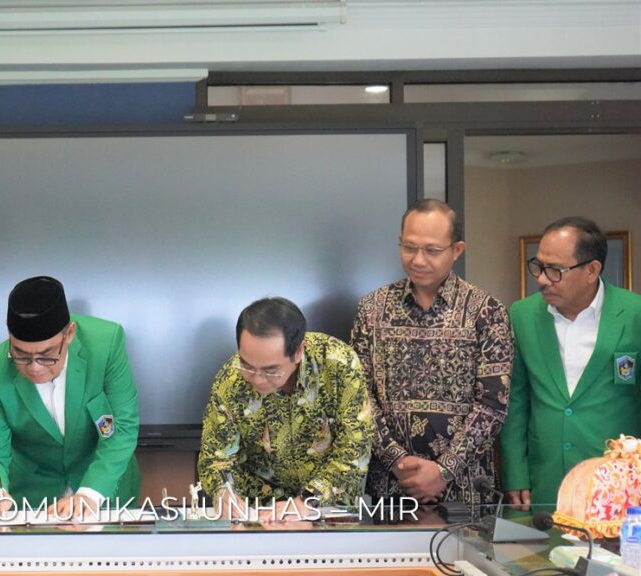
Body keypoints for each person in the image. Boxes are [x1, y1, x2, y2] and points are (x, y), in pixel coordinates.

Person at [351, 199, 513, 506]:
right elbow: (359, 396)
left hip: (466, 491)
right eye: (409, 247)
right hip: (392, 488)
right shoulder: (372, 309)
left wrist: (444, 470)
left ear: (457, 250)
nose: (418, 260)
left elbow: (493, 405)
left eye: (432, 250)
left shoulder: (487, 312)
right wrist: (398, 462)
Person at [500, 217, 641, 510]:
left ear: (592, 270)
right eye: (538, 266)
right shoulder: (522, 316)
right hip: (543, 483)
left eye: (555, 271)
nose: (541, 278)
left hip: (618, 485)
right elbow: (515, 401)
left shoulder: (633, 314)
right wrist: (515, 473)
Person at [0, 276, 140, 519]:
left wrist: (90, 494)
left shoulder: (106, 344)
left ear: (69, 334)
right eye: (21, 355)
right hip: (33, 499)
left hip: (105, 490)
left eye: (47, 355)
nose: (35, 367)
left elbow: (122, 428)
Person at [198, 297, 372, 523]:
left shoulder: (338, 365)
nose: (257, 379)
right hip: (256, 512)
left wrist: (307, 502)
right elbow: (216, 457)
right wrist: (224, 492)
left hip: (326, 509)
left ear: (298, 351)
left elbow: (355, 447)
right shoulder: (230, 380)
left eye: (271, 370)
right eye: (247, 365)